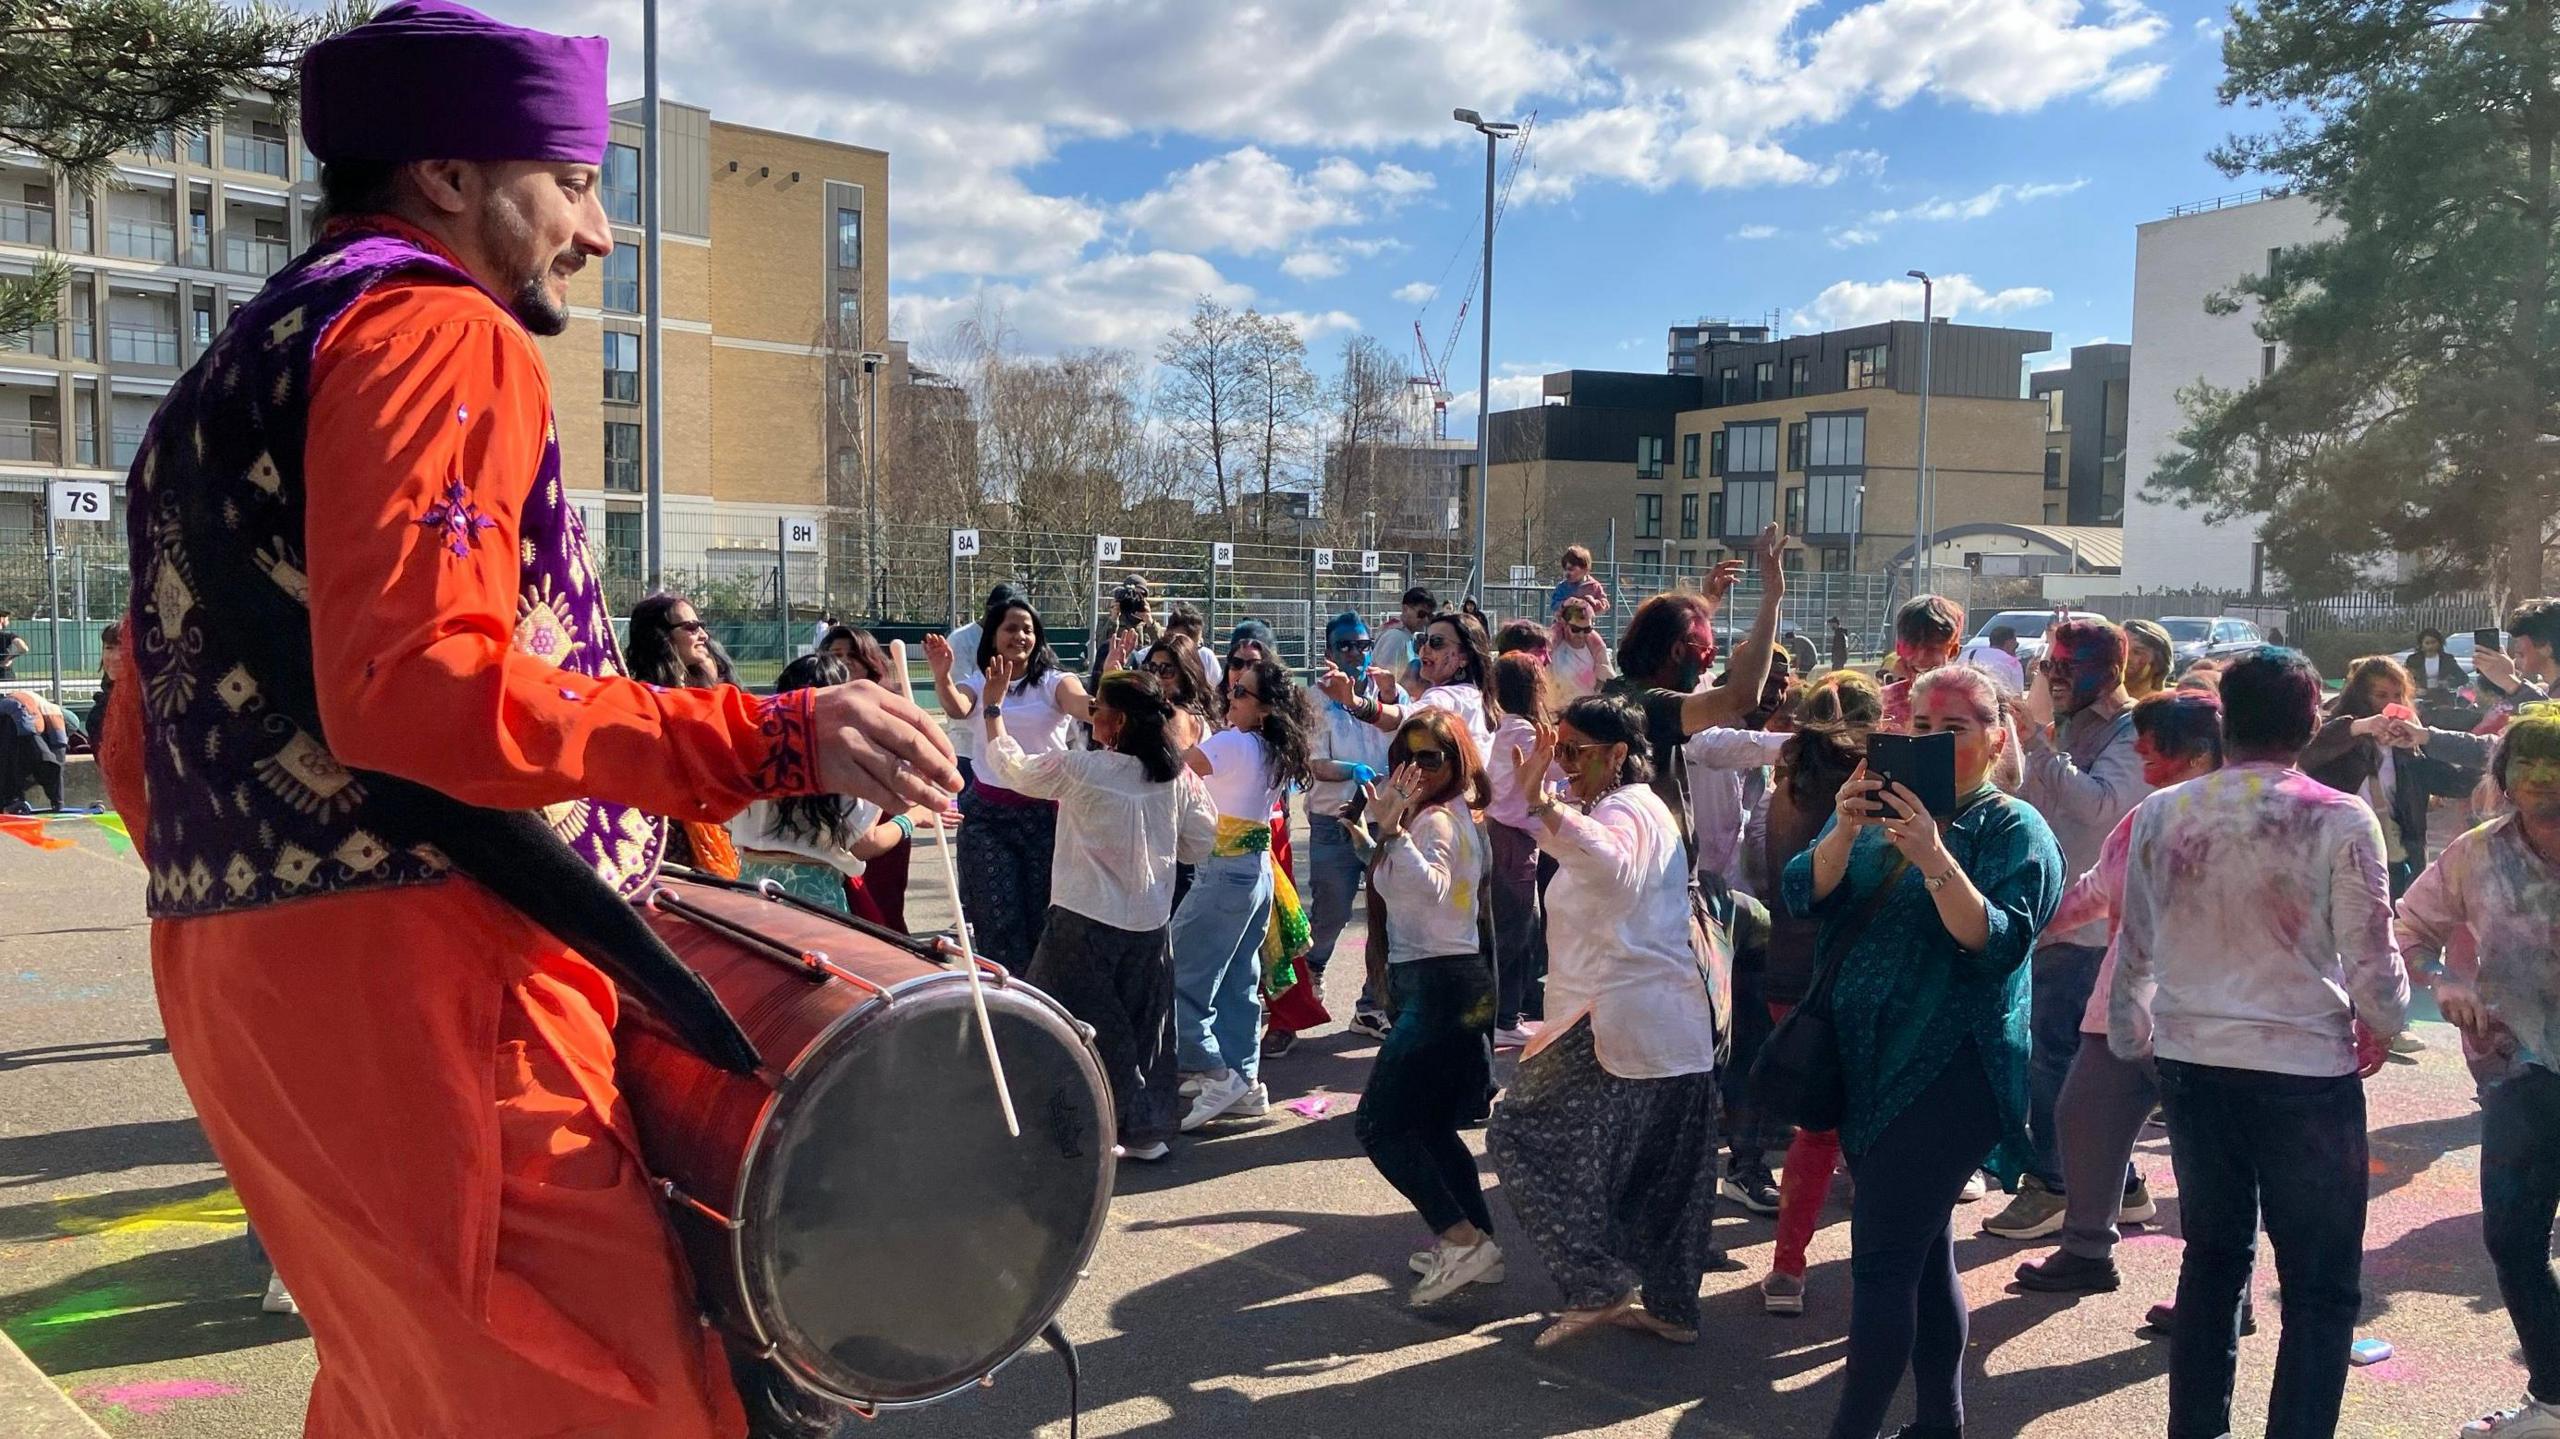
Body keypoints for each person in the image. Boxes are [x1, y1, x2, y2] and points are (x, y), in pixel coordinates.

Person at [101, 6, 964, 1431]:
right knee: (605, 1398)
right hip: (437, 984)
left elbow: (145, 732)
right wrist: (766, 737)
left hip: (239, 976)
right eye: (572, 179)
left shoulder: (214, 388)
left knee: (404, 1387)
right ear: (446, 174)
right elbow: (418, 689)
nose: (599, 229)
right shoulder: (437, 328)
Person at [2110, 647, 2410, 1439]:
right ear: (2311, 721)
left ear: (2224, 720)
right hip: (2303, 1066)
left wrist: (2133, 1029)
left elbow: (2134, 940)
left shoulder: (2164, 812)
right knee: (2318, 1286)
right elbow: (2376, 968)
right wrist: (2383, 1016)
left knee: (2212, 1262)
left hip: (2193, 1060)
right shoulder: (2341, 817)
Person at [1782, 664, 2062, 1439]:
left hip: (1952, 1070)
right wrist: (1842, 826)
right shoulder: (1872, 817)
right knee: (1925, 1251)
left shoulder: (2013, 829)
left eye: (1955, 728)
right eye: (1919, 727)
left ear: (1996, 736)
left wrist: (1937, 856)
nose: (1932, 741)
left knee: (1881, 1263)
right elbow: (1804, 890)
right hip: (1863, 1068)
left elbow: (1995, 942)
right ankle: (1941, 1423)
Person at [1490, 695, 1729, 1349]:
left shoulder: (1626, 809)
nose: (1561, 764)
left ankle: (1598, 1282)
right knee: (1663, 1170)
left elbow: (1613, 868)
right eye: (1558, 749)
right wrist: (1545, 801)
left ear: (1618, 755)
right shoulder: (1633, 807)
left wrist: (1544, 804)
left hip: (1619, 1014)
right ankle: (1672, 1307)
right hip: (1663, 1019)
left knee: (1519, 1132)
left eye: (1574, 752)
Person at [2013, 691, 2225, 1296]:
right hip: (2124, 1008)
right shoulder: (2148, 814)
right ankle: (2086, 1248)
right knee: (2083, 1116)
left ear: (2199, 754)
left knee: (2208, 1156)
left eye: (2155, 748)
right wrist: (2021, 930)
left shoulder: (2242, 819)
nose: (2141, 757)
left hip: (2207, 1019)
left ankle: (2216, 1292)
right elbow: (2096, 888)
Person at [2395, 704, 2560, 1439]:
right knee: (2515, 1238)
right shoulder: (2476, 853)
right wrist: (2441, 979)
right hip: (2520, 1072)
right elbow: (2409, 927)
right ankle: (2555, 1398)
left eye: (2553, 764)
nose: (2539, 781)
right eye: (2524, 764)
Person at [983, 662, 1218, 1164]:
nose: (1091, 717)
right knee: (1146, 1030)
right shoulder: (1176, 775)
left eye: (1098, 709)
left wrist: (993, 709)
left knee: (1067, 1025)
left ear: (1119, 723)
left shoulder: (1081, 769)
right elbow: (1200, 843)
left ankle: (1063, 1122)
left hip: (1081, 919)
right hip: (1149, 923)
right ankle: (1146, 1126)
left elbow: (1012, 769)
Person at [1986, 618, 2153, 1242]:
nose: (2052, 675)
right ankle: (2123, 1182)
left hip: (2087, 928)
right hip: (2057, 916)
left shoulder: (2131, 730)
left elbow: (2104, 807)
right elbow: (2032, 796)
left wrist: (2039, 747)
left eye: (2066, 665)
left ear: (2111, 669)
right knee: (2076, 1063)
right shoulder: (2076, 722)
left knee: (2055, 1061)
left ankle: (2055, 1184)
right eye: (2046, 663)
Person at [1747, 672, 1883, 1316]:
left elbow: (1763, 865)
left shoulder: (1789, 772)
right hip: (1850, 973)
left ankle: (1787, 1270)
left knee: (1817, 1128)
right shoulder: (1868, 782)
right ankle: (1888, 1268)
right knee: (1874, 1128)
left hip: (1788, 970)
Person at [1357, 709, 1501, 1304]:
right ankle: (1478, 1247)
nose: (1414, 770)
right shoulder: (1446, 817)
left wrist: (1391, 833)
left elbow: (1430, 890)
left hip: (1441, 987)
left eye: (1431, 758)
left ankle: (1461, 1238)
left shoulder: (1438, 821)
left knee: (1380, 1127)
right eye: (1404, 758)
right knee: (1432, 1126)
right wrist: (1380, 832)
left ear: (1457, 763)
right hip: (1447, 981)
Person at [1173, 656, 1314, 1129]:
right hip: (1252, 872)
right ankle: (1243, 1080)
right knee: (1237, 983)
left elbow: (1175, 763)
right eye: (1232, 687)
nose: (1229, 696)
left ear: (1266, 709)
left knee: (1181, 976)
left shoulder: (1232, 744)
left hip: (1225, 870)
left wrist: (1176, 722)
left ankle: (1216, 1073)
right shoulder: (1270, 748)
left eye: (1240, 693)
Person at [927, 594, 1101, 975]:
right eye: (1010, 628)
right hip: (988, 818)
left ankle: (1042, 998)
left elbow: (1082, 705)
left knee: (1042, 915)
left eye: (1027, 629)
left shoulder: (1054, 682)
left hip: (1044, 816)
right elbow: (957, 707)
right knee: (997, 916)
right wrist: (942, 676)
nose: (1019, 635)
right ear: (993, 635)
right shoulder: (979, 682)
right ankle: (1005, 998)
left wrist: (1111, 698)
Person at [727, 652, 952, 912]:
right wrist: (910, 818)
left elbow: (725, 819)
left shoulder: (752, 752)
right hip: (815, 896)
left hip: (749, 889)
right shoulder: (844, 761)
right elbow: (866, 844)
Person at [1602, 523, 1786, 824]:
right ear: (1676, 652)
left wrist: (1704, 606)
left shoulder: (1620, 691)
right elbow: (1742, 696)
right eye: (1707, 654)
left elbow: (1669, 625)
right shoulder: (1649, 707)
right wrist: (1772, 599)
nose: (1706, 668)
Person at [2303, 654, 2493, 896]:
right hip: (2344, 852)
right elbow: (2307, 752)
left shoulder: (2409, 744)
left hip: (2399, 853)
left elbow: (2457, 782)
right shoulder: (2341, 735)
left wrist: (2428, 740)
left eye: (2397, 695)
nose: (2390, 703)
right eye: (2380, 695)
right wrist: (2360, 727)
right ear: (2360, 697)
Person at [1307, 614, 1393, 1039]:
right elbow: (1317, 765)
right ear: (1329, 652)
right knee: (1332, 913)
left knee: (1384, 917)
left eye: (1362, 645)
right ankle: (1313, 968)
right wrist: (1353, 770)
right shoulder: (1315, 700)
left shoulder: (1385, 697)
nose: (1356, 654)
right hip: (1333, 820)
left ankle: (1370, 1006)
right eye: (1346, 646)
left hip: (1381, 821)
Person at [1483, 653, 1556, 1046]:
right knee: (1516, 931)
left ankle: (1504, 1015)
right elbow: (1557, 773)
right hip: (1514, 840)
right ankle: (1502, 1017)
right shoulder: (1526, 733)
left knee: (1513, 929)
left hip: (1504, 834)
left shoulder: (1505, 727)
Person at [1320, 608, 1498, 739]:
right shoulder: (1472, 695)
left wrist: (1355, 703)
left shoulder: (1449, 698)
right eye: (1422, 640)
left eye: (1437, 642)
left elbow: (1405, 720)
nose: (1424, 649)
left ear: (1464, 657)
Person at [944, 581, 1025, 784]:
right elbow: (960, 697)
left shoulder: (1016, 640)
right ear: (989, 610)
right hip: (968, 745)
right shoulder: (961, 640)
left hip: (1005, 743)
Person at [1881, 595, 1967, 730]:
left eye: (1932, 649)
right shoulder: (1883, 703)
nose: (1921, 657)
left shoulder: (1972, 703)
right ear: (1899, 648)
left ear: (1953, 650)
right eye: (1913, 646)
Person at [626, 590, 733, 687]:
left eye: (701, 626)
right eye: (691, 627)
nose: (704, 636)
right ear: (659, 636)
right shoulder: (640, 698)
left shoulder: (711, 693)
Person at [2476, 598, 2560, 712]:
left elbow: (2551, 722)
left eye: (2519, 639)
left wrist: (2512, 684)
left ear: (2546, 646)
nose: (2516, 647)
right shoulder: (2550, 689)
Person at [1547, 598, 1614, 701]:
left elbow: (1606, 679)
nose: (1581, 635)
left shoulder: (1596, 649)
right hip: (1556, 711)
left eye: (1587, 629)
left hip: (1585, 711)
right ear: (1564, 624)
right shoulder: (1552, 648)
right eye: (1576, 629)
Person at [1374, 586, 1435, 696]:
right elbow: (1383, 680)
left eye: (1429, 616)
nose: (1426, 620)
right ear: (1405, 609)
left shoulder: (1404, 635)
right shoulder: (1397, 637)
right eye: (1421, 614)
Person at [1165, 600, 1222, 694]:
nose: (1189, 651)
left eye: (1196, 646)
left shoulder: (1206, 656)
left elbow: (1216, 692)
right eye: (1181, 643)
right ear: (1167, 634)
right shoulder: (1151, 657)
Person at [1957, 624, 2025, 693]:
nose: (2017, 644)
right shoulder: (2012, 662)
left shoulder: (1967, 654)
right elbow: (2017, 695)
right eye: (2015, 640)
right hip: (1995, 701)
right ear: (2009, 642)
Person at [1547, 544, 1611, 618]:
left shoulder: (1594, 586)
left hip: (1585, 625)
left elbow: (1605, 605)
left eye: (1571, 569)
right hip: (1563, 625)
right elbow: (1553, 605)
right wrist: (1564, 603)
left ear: (1585, 570)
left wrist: (1594, 602)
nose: (1567, 573)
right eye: (1565, 569)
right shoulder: (1562, 587)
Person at [2408, 627, 2467, 692]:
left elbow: (2463, 678)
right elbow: (2405, 678)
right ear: (2421, 644)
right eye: (2427, 643)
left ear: (2439, 643)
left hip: (2442, 696)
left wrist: (2448, 683)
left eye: (2433, 642)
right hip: (2419, 696)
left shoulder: (2447, 659)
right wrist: (2415, 689)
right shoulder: (2413, 659)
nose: (2430, 646)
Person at [0, 608, 25, 683]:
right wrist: (9, 658)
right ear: (1, 619)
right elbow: (23, 648)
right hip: (4, 673)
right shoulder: (7, 635)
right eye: (7, 618)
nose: (8, 621)